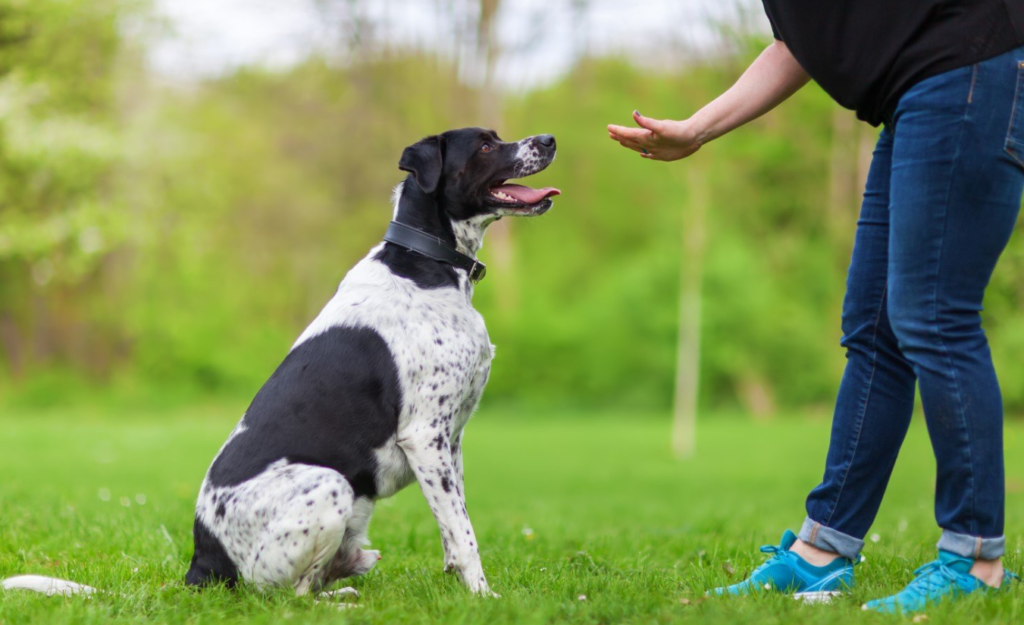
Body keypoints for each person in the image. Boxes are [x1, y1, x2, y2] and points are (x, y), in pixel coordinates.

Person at [609, 0, 1024, 614]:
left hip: (968, 70)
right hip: (916, 96)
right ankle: (823, 551)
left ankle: (976, 558)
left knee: (934, 316)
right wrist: (697, 128)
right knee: (876, 331)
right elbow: (799, 46)